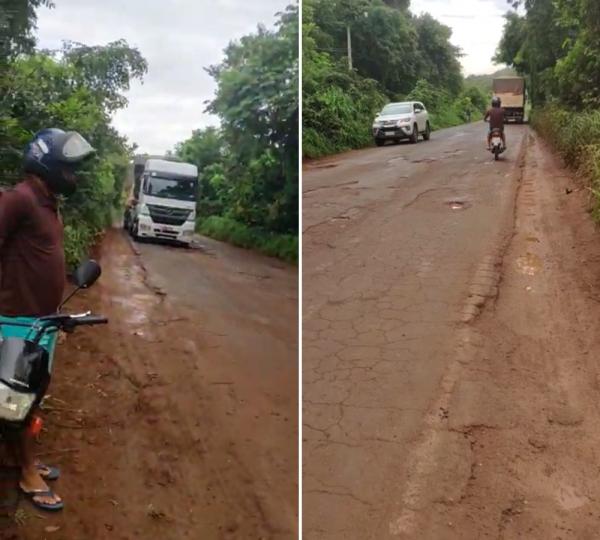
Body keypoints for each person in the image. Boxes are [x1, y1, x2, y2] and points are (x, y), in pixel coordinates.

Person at [0, 128, 95, 511]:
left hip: (41, 323)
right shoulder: (18, 200)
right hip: (15, 323)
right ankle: (26, 473)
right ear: (45, 165)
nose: (72, 177)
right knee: (16, 403)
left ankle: (24, 458)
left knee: (32, 399)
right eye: (67, 169)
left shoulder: (48, 205)